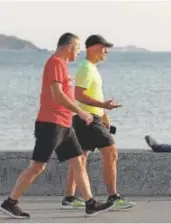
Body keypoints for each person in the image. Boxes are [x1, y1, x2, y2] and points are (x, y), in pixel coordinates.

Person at [0, 33, 115, 219]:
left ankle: (90, 203)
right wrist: (81, 111)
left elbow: (64, 95)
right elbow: (57, 95)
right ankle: (10, 202)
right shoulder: (55, 63)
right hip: (50, 124)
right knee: (38, 166)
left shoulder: (62, 65)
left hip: (64, 124)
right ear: (69, 46)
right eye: (77, 49)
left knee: (78, 162)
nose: (78, 53)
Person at [61, 34, 135, 210]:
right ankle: (113, 196)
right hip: (87, 119)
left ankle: (69, 198)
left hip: (88, 118)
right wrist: (103, 106)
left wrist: (103, 115)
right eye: (104, 48)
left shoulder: (90, 68)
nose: (106, 52)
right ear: (93, 48)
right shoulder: (86, 68)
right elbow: (78, 95)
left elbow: (90, 95)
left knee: (80, 158)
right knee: (111, 152)